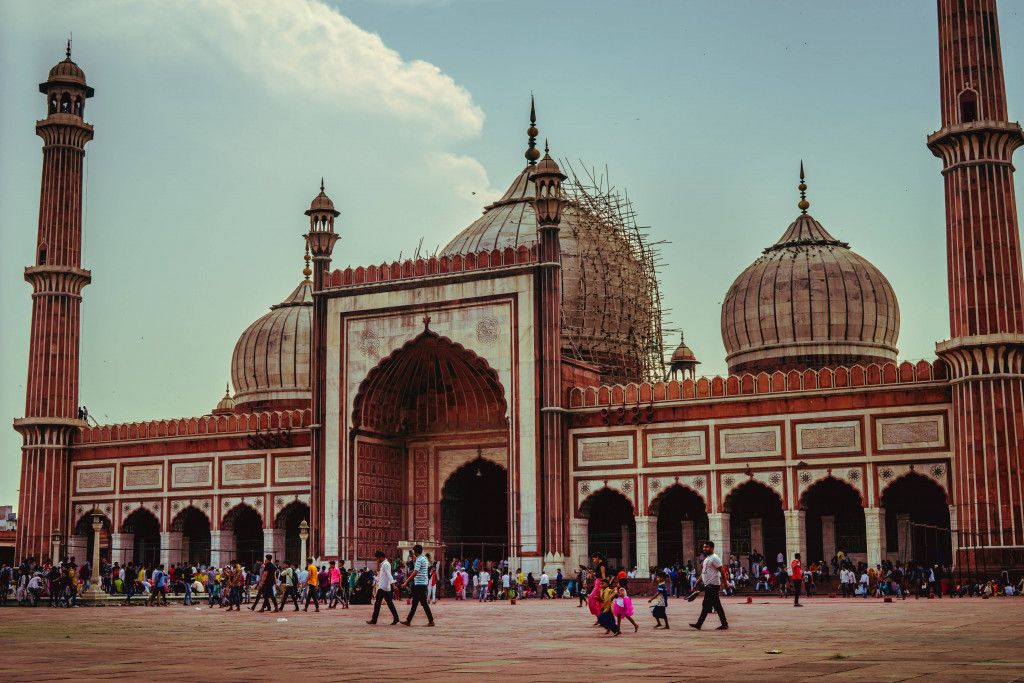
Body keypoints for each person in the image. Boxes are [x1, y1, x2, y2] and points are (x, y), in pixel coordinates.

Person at [689, 540, 728, 631]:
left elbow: (722, 571)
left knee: (706, 604)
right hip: (708, 585)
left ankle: (699, 624)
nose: (704, 548)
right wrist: (697, 583)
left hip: (713, 585)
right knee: (717, 605)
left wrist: (725, 583)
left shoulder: (715, 558)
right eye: (704, 547)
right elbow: (703, 573)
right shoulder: (707, 559)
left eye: (706, 547)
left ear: (712, 548)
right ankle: (724, 623)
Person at [401, 543, 435, 627]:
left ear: (415, 551)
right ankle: (408, 620)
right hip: (422, 583)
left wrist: (406, 581)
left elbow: (416, 571)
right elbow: (420, 569)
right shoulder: (424, 558)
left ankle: (431, 621)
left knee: (423, 603)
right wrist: (414, 558)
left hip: (419, 584)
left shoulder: (419, 560)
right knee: (415, 603)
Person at [366, 550, 400, 625]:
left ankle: (374, 620)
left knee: (378, 604)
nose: (377, 560)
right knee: (389, 604)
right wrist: (377, 564)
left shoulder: (385, 564)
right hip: (384, 587)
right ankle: (396, 618)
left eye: (378, 558)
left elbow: (389, 575)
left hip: (383, 587)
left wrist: (393, 585)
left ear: (381, 557)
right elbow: (379, 573)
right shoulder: (384, 564)